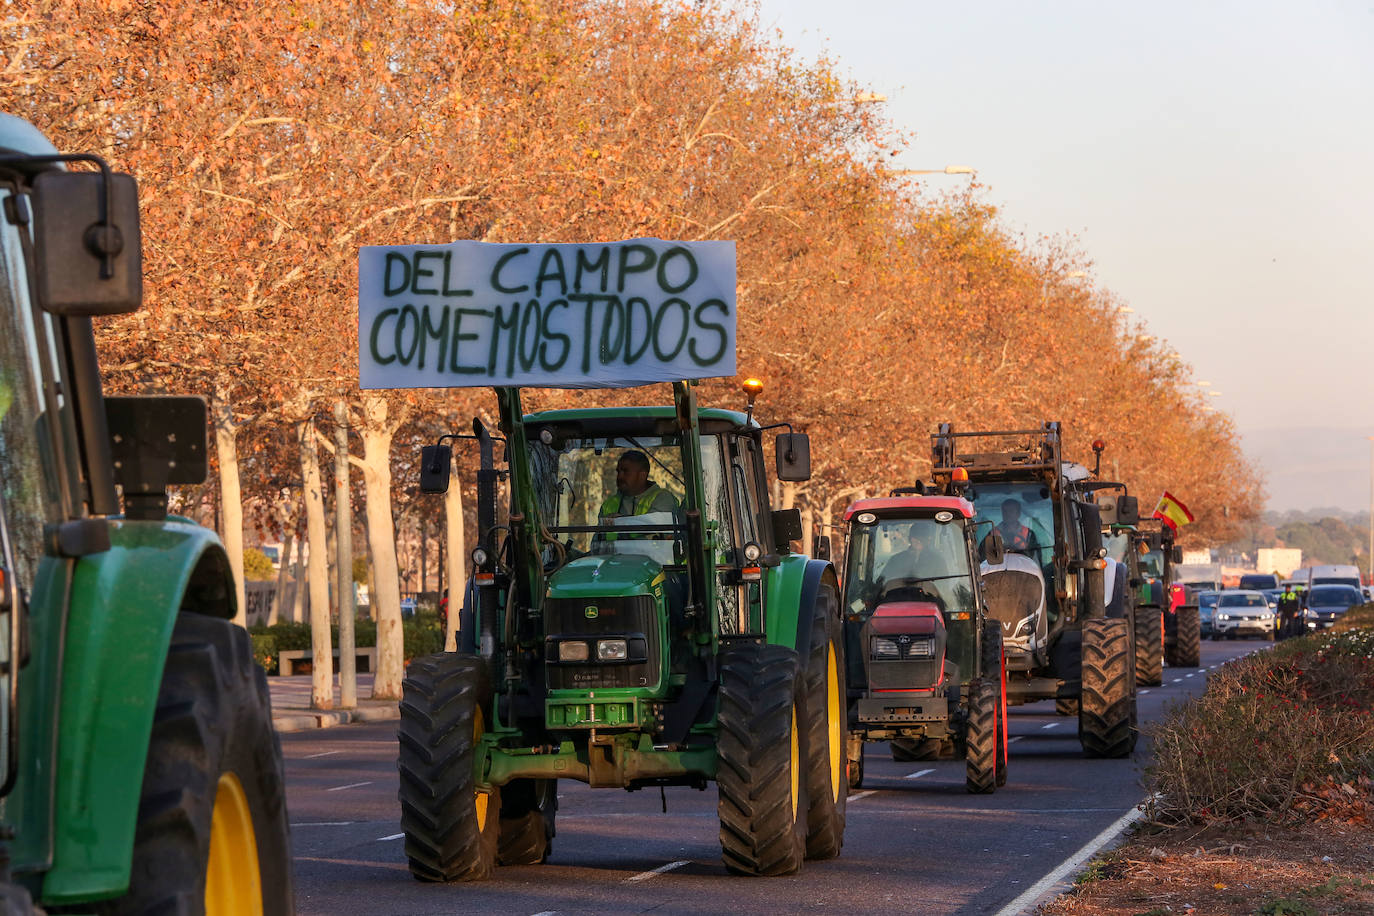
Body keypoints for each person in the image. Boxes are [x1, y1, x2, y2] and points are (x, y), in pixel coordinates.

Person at [597, 450, 678, 536]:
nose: (619, 476)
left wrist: (620, 521)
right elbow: (597, 543)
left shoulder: (663, 498)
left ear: (642, 475)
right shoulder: (609, 504)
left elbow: (654, 531)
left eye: (625, 471)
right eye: (618, 471)